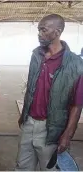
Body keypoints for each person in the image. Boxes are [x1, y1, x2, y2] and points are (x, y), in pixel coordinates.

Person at [16, 14, 83, 171]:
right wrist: (24, 114)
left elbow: (77, 105)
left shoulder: (75, 65)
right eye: (39, 30)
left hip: (51, 128)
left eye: (43, 30)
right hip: (29, 123)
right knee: (22, 166)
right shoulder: (36, 55)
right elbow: (31, 88)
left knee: (49, 168)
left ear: (57, 32)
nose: (39, 34)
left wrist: (67, 135)